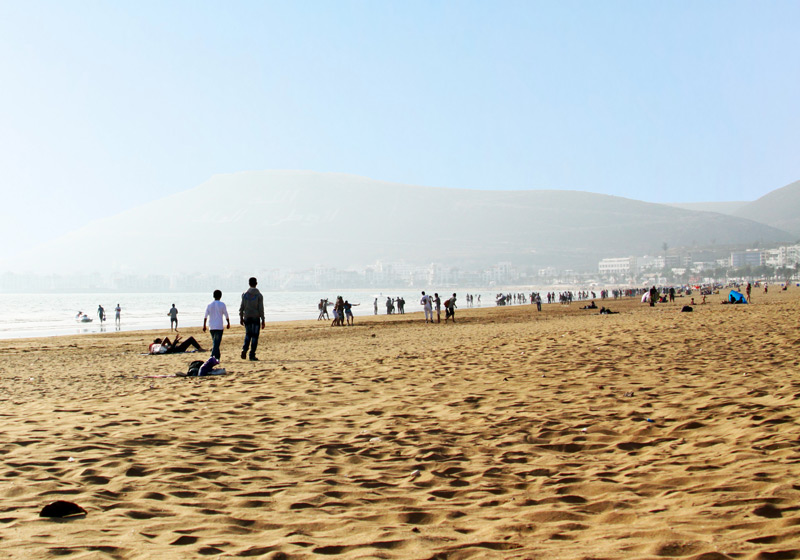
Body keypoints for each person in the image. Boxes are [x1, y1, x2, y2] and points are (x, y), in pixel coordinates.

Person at [239, 277, 265, 361]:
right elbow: (261, 308)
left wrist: (241, 317)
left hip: (247, 317)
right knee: (255, 337)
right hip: (256, 317)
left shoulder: (245, 295)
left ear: (249, 284)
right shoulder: (259, 295)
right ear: (256, 284)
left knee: (248, 334)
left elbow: (242, 307)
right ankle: (252, 354)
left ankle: (244, 349)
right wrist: (263, 319)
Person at [203, 289, 230, 360]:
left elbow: (205, 316)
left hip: (212, 326)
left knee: (215, 342)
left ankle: (217, 356)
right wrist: (228, 322)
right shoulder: (222, 304)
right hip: (219, 326)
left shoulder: (209, 305)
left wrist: (204, 325)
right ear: (220, 296)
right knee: (216, 343)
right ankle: (212, 357)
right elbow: (226, 314)